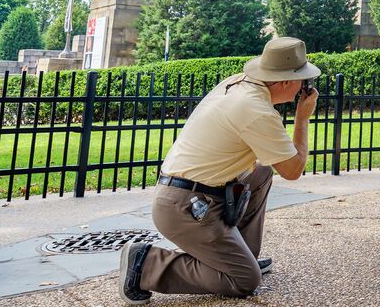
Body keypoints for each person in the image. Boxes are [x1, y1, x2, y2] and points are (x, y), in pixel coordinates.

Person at [118, 37, 320, 304]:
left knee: (260, 174)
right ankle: (146, 264)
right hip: (184, 208)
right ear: (284, 81)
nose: (303, 88)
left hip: (188, 194)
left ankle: (239, 256)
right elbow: (293, 169)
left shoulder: (238, 84)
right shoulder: (256, 110)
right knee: (244, 281)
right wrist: (302, 119)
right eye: (303, 80)